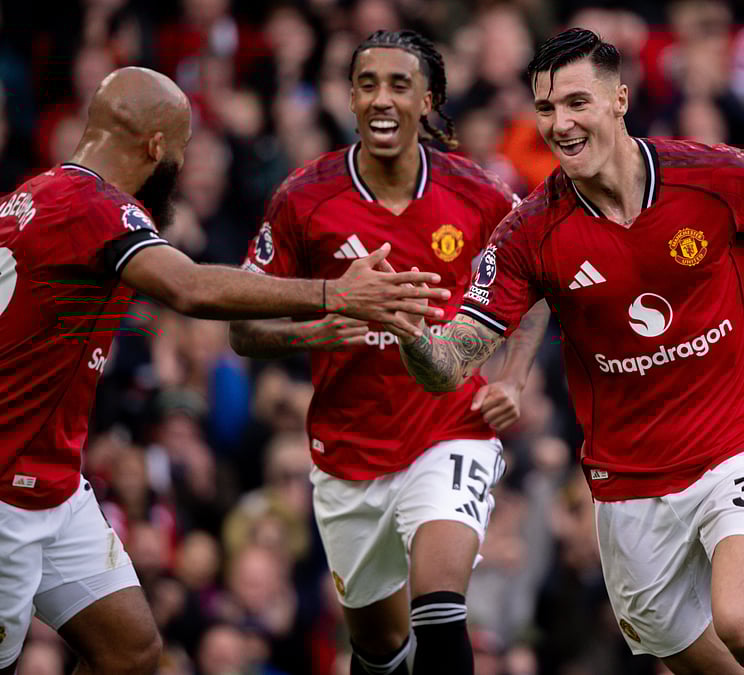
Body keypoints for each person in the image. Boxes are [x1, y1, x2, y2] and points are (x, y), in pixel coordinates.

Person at [390, 28, 744, 675]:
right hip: (630, 480)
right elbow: (454, 356)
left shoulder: (715, 175)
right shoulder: (529, 233)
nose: (560, 124)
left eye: (576, 103)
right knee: (685, 652)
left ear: (620, 98)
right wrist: (408, 332)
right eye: (545, 109)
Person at [0, 67, 444, 674]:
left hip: (53, 481)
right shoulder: (97, 208)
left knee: (130, 652)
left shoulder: (29, 197)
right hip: (8, 489)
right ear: (156, 148)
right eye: (179, 155)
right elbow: (188, 288)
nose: (177, 172)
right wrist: (335, 294)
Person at [228, 30, 548, 675]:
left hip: (451, 427)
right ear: (349, 96)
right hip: (348, 450)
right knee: (376, 647)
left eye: (399, 84)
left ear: (428, 99)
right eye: (367, 83)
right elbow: (244, 327)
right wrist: (325, 316)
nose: (382, 98)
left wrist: (513, 377)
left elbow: (535, 284)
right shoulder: (305, 197)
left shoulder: (478, 193)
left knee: (439, 607)